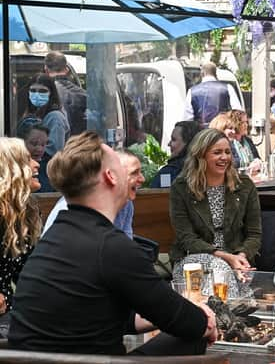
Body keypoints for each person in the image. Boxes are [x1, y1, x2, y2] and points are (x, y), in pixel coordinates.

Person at [8, 131, 217, 355]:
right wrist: (205, 320)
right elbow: (187, 322)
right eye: (119, 164)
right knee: (194, 339)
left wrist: (161, 318)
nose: (139, 178)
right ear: (111, 176)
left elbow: (89, 317)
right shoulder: (112, 246)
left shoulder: (55, 238)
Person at [169, 128, 261, 297]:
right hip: (193, 260)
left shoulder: (245, 186)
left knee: (241, 297)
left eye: (227, 152)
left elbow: (254, 234)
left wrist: (241, 257)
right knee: (221, 269)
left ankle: (222, 318)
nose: (224, 157)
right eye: (217, 152)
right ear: (201, 156)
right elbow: (187, 239)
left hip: (236, 259)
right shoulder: (181, 188)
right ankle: (222, 319)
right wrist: (226, 258)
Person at [42, 149, 145, 239]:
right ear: (111, 175)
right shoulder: (74, 206)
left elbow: (124, 245)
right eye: (134, 173)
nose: (142, 179)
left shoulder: (126, 204)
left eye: (141, 172)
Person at [0, 138, 42, 336]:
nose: (36, 164)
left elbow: (29, 271)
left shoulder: (27, 212)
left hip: (9, 315)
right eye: (27, 160)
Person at [18, 74, 70, 156]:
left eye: (43, 91)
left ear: (51, 93)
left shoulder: (55, 117)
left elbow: (53, 152)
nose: (37, 94)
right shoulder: (33, 113)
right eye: (33, 90)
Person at [183, 62, 242, 128]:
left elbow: (187, 119)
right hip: (222, 132)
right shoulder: (228, 88)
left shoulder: (192, 91)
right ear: (215, 73)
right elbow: (238, 113)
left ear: (202, 74)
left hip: (201, 134)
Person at [44, 51, 87, 135]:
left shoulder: (44, 95)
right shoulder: (83, 95)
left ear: (46, 69)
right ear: (67, 69)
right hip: (77, 144)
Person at [150, 121, 201, 188]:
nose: (169, 144)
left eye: (173, 139)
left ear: (188, 143)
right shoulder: (211, 171)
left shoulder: (168, 173)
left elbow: (159, 196)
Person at [17, 122, 54, 192]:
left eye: (43, 144)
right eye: (34, 143)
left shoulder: (50, 166)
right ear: (20, 142)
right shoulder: (12, 167)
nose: (39, 149)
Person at [228, 109, 262, 175]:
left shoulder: (248, 141)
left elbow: (257, 157)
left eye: (246, 122)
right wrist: (248, 168)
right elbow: (231, 165)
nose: (246, 125)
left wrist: (257, 162)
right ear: (234, 123)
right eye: (242, 123)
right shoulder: (229, 143)